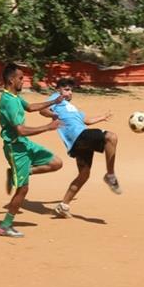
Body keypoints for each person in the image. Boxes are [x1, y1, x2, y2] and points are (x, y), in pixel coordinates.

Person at [0, 63, 66, 238]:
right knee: (23, 189)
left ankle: (17, 173)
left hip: (25, 144)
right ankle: (5, 226)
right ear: (11, 80)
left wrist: (53, 101)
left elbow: (30, 107)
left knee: (56, 162)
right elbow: (20, 130)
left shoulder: (14, 96)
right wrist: (48, 127)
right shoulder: (8, 102)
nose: (23, 81)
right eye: (21, 78)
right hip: (15, 149)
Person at [42, 77, 121, 219]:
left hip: (78, 142)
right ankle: (110, 175)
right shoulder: (56, 99)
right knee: (111, 137)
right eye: (66, 89)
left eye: (71, 90)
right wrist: (53, 114)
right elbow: (43, 110)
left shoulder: (74, 109)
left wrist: (102, 117)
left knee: (84, 175)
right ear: (58, 90)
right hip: (79, 135)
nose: (69, 92)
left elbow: (86, 121)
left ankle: (63, 205)